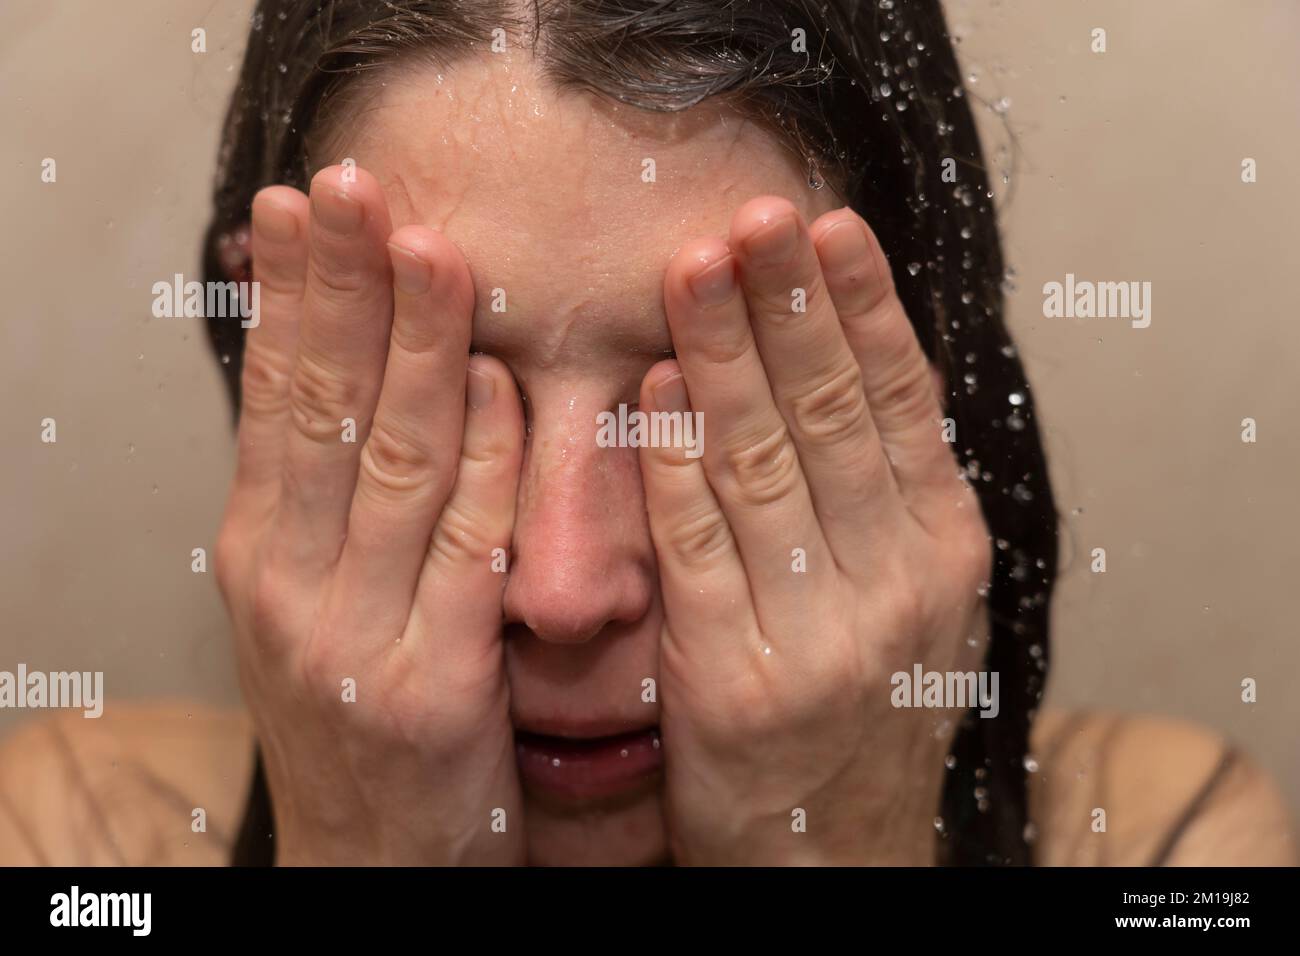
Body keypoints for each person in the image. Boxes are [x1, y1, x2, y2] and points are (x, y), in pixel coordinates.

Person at [0, 0, 1293, 866]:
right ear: (282, 368)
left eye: (706, 397)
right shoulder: (80, 836)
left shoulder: (1163, 842)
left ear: (919, 389)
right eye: (449, 392)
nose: (564, 594)